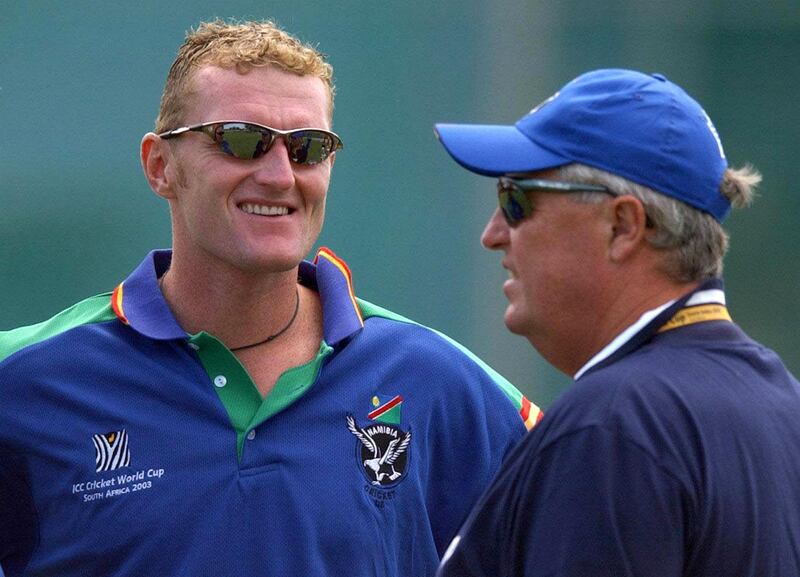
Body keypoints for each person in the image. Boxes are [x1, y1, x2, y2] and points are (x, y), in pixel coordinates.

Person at [0, 20, 541, 577]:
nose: (280, 175)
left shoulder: (436, 379)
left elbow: (595, 504)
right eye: (240, 140)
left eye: (308, 148)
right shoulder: (24, 378)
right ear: (160, 166)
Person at [433, 68, 800, 577]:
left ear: (622, 226)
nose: (493, 234)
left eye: (515, 200)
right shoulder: (784, 403)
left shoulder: (612, 425)